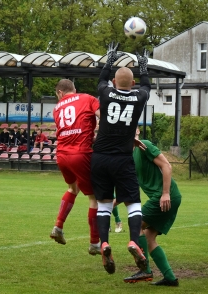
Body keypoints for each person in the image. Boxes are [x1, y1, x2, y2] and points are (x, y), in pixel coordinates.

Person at [91, 42, 150, 275]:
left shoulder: (105, 93)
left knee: (104, 204)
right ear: (132, 84)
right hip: (123, 159)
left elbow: (101, 81)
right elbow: (146, 86)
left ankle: (104, 243)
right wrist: (143, 66)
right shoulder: (139, 98)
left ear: (115, 82)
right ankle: (134, 240)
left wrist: (110, 59)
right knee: (133, 203)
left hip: (100, 158)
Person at [49, 79, 101, 257]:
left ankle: (58, 226)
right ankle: (95, 243)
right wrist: (98, 136)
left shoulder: (57, 108)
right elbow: (103, 116)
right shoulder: (87, 98)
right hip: (81, 153)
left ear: (60, 93)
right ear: (74, 90)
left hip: (62, 154)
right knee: (94, 199)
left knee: (72, 188)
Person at [123, 128, 181, 286]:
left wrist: (165, 193)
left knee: (136, 224)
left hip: (164, 196)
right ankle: (170, 278)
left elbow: (167, 166)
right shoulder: (130, 154)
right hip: (165, 197)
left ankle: (146, 270)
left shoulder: (144, 145)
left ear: (137, 130)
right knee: (148, 238)